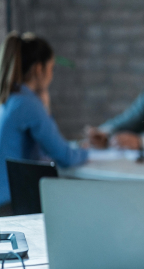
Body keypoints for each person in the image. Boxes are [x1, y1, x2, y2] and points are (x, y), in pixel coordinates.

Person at [0, 32, 88, 214]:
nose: (52, 75)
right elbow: (64, 157)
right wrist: (90, 151)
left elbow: (40, 151)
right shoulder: (28, 103)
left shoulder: (11, 97)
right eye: (51, 68)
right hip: (10, 203)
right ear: (39, 69)